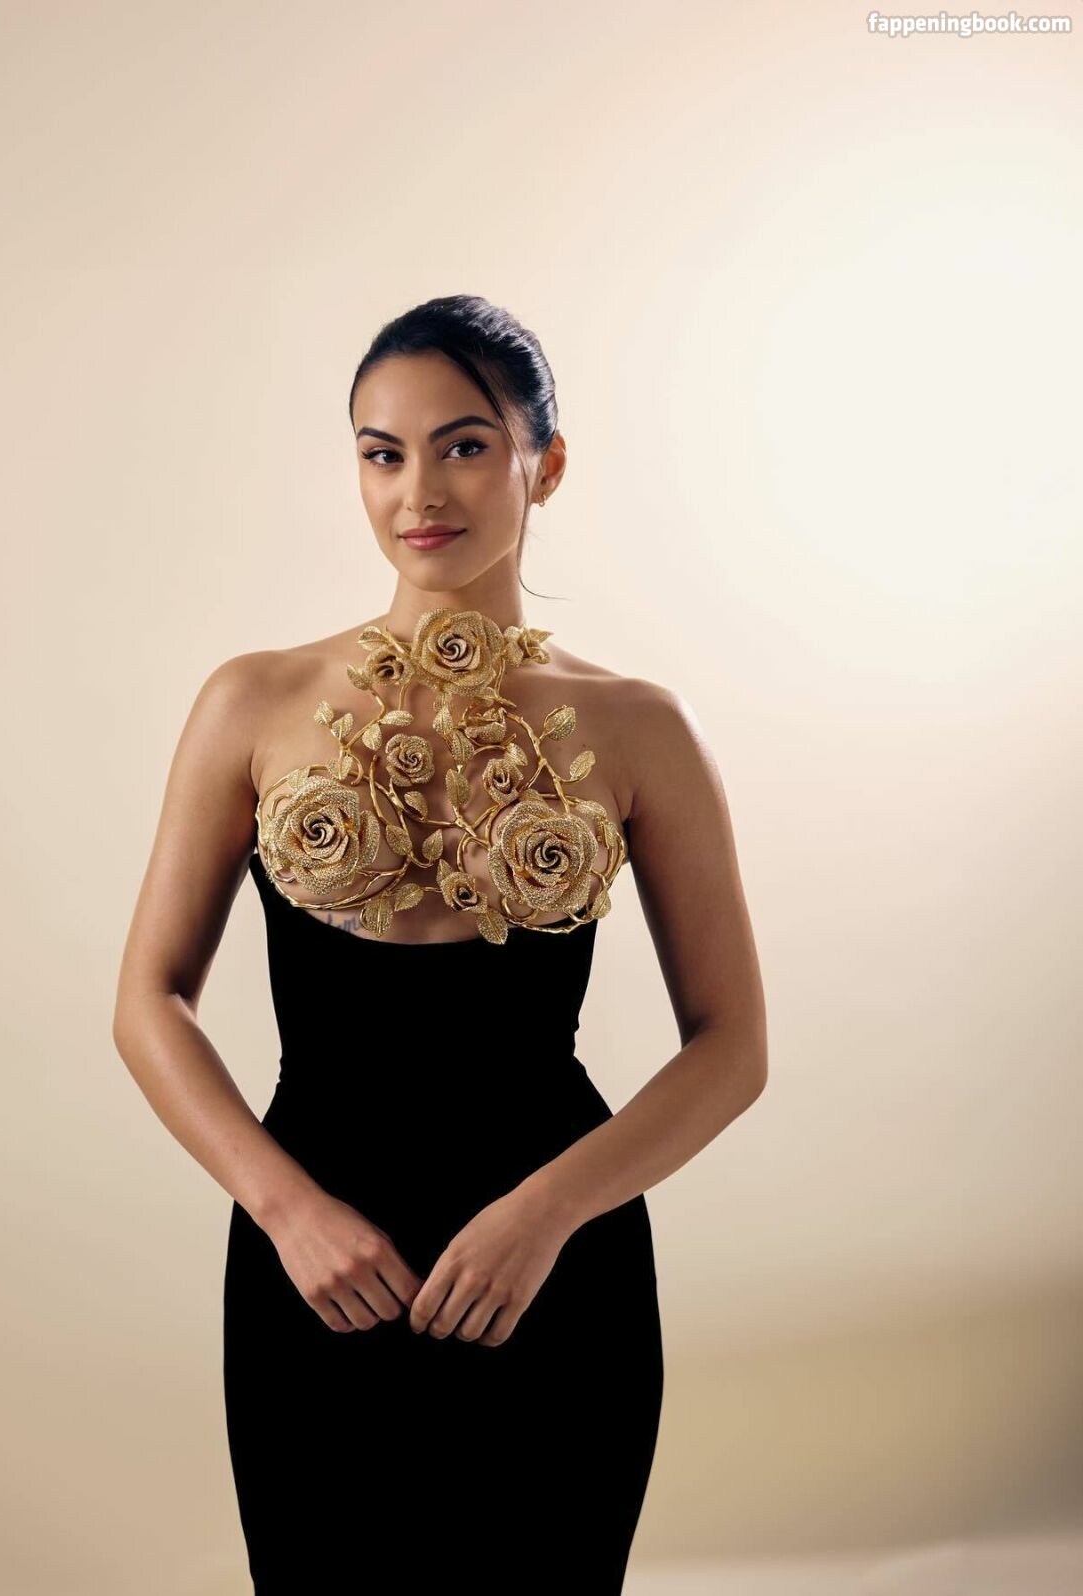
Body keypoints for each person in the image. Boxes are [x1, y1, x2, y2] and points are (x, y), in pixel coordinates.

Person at [112, 294, 767, 1593]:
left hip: (556, 1269)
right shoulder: (255, 701)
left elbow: (732, 1046)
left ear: (546, 465)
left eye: (466, 445)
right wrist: (287, 1209)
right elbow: (148, 1001)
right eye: (383, 453)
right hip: (315, 1263)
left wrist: (549, 1211)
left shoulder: (639, 727)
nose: (419, 491)